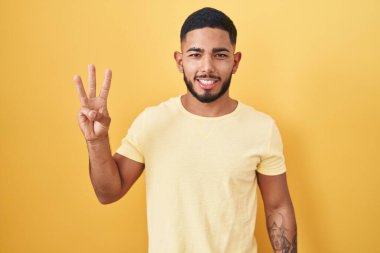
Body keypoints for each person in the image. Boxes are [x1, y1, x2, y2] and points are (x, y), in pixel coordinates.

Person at [73, 7, 297, 253]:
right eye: (195, 54)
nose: (207, 67)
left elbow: (277, 207)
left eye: (220, 55)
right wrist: (97, 141)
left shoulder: (262, 128)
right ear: (180, 61)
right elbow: (108, 193)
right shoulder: (153, 122)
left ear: (235, 61)